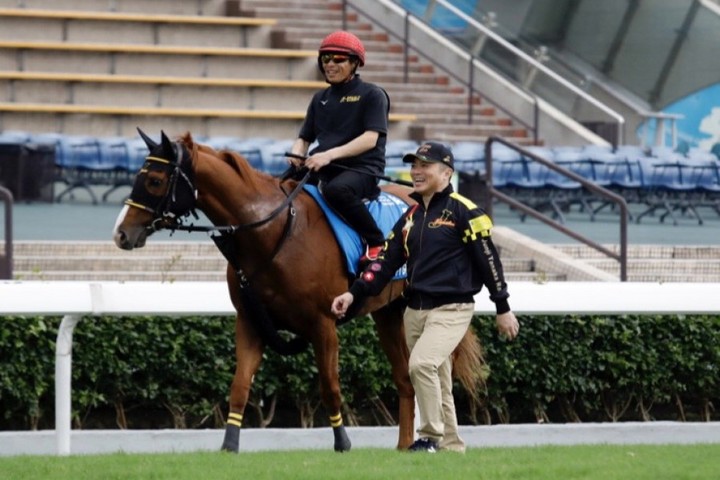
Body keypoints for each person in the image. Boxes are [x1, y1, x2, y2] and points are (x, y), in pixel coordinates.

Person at [331, 141, 520, 453]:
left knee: (420, 365)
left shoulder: (465, 211)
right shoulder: (410, 217)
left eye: (424, 166)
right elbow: (384, 263)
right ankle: (452, 446)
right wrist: (353, 295)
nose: (416, 172)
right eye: (414, 165)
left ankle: (429, 437)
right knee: (438, 378)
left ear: (446, 173)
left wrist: (503, 307)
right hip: (415, 312)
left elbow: (489, 262)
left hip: (452, 309)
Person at [287, 30, 388, 263]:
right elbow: (304, 138)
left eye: (338, 59)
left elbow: (370, 139)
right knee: (281, 186)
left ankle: (376, 242)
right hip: (325, 166)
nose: (330, 64)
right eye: (325, 59)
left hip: (362, 169)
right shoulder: (319, 98)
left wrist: (328, 155)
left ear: (354, 63)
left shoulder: (373, 95)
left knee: (336, 191)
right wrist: (297, 152)